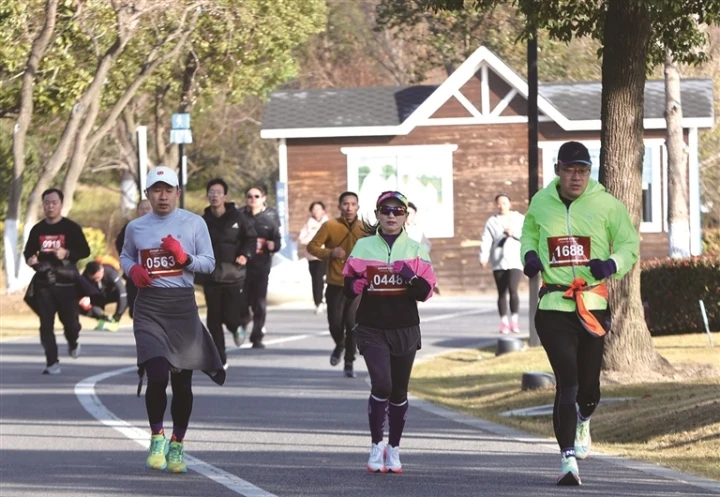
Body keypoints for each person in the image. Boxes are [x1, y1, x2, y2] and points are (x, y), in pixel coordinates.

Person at [520, 141, 639, 486]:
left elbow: (630, 244)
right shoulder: (541, 202)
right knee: (567, 379)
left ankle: (584, 418)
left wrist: (611, 264)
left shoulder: (606, 204)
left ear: (590, 172)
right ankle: (567, 459)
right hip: (554, 304)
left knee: (589, 387)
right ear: (558, 169)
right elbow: (529, 233)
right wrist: (529, 255)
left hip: (593, 305)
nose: (576, 177)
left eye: (583, 170)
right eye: (570, 170)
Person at [119, 165, 225, 474]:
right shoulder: (136, 227)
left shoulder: (194, 224)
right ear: (148, 194)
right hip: (150, 307)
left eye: (168, 190)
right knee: (157, 375)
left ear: (178, 193)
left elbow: (209, 264)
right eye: (156, 190)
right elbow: (126, 255)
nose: (162, 196)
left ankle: (177, 442)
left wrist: (184, 258)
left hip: (182, 308)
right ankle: (156, 436)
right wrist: (133, 270)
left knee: (182, 382)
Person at [343, 191, 436, 473]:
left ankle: (393, 447)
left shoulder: (416, 249)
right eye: (386, 211)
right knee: (381, 384)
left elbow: (426, 292)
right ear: (377, 215)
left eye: (398, 211)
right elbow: (347, 284)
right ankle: (376, 444)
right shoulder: (363, 246)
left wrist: (410, 276)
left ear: (406, 216)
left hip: (405, 328)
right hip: (372, 327)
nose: (392, 216)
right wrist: (354, 286)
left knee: (398, 391)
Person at [23, 188, 91, 375]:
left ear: (61, 204)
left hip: (66, 282)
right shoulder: (38, 229)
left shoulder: (71, 228)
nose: (50, 206)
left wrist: (67, 253)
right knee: (46, 324)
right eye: (46, 203)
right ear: (43, 205)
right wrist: (31, 260)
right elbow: (28, 252)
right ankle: (52, 362)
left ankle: (73, 340)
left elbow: (85, 251)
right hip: (45, 282)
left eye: (54, 203)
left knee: (71, 324)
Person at [196, 178, 257, 368]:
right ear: (207, 196)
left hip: (233, 275)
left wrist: (245, 255)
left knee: (230, 317)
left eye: (218, 193)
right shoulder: (202, 221)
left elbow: (251, 239)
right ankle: (220, 358)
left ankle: (239, 325)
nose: (214, 196)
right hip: (211, 277)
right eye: (211, 193)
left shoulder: (239, 218)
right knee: (213, 320)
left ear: (225, 196)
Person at [307, 191, 367, 378]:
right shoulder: (330, 225)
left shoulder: (365, 228)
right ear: (340, 206)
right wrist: (331, 253)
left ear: (358, 207)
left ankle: (349, 362)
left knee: (352, 323)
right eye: (345, 204)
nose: (349, 208)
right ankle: (339, 344)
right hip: (335, 283)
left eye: (353, 204)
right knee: (335, 323)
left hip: (357, 285)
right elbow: (312, 246)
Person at [239, 185, 281, 349]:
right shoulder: (240, 216)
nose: (253, 199)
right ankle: (243, 319)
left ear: (264, 198)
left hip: (261, 266)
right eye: (250, 196)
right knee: (241, 301)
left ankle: (257, 336)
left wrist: (273, 245)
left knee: (259, 303)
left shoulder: (270, 219)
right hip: (241, 266)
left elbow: (277, 241)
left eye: (257, 196)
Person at [479, 193, 525, 334]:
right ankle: (504, 321)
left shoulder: (519, 218)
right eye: (498, 203)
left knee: (513, 289)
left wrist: (514, 233)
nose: (501, 206)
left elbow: (527, 234)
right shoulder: (492, 221)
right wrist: (483, 256)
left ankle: (515, 320)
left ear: (510, 204)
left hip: (515, 259)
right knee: (501, 291)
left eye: (504, 203)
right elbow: (486, 239)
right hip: (498, 260)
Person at [115, 199, 152, 318]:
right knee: (135, 309)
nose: (144, 211)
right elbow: (119, 243)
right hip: (134, 273)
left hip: (154, 275)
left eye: (148, 208)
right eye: (142, 209)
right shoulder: (130, 227)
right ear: (137, 211)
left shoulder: (160, 226)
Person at [298, 201, 329, 315]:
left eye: (318, 209)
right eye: (314, 209)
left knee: (329, 279)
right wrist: (313, 236)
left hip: (327, 255)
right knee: (316, 280)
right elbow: (302, 239)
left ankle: (328, 299)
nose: (316, 211)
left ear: (323, 211)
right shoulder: (308, 224)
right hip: (313, 257)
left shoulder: (328, 223)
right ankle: (318, 302)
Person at [78, 261, 127, 332]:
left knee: (126, 296)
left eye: (98, 277)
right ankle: (104, 318)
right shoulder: (85, 276)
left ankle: (115, 321)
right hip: (97, 296)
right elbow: (80, 293)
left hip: (111, 294)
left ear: (101, 270)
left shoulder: (110, 272)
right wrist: (82, 299)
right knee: (77, 304)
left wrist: (117, 316)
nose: (96, 280)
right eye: (93, 279)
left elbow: (122, 291)